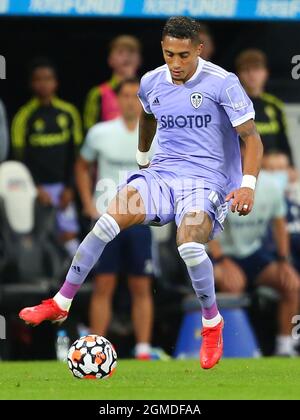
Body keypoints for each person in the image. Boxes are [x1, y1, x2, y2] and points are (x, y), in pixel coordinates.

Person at [19, 17, 263, 370]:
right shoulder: (151, 81)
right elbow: (148, 116)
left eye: (183, 55)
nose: (175, 64)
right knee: (107, 220)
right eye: (168, 55)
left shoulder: (223, 83)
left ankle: (212, 323)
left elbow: (251, 138)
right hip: (162, 174)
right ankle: (61, 300)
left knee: (189, 243)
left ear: (199, 49)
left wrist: (247, 184)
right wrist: (144, 159)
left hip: (206, 182)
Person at [76, 78, 154, 359]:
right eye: (125, 96)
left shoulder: (156, 133)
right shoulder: (100, 133)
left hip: (139, 221)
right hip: (106, 219)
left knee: (141, 285)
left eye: (136, 96)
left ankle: (143, 349)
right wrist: (87, 202)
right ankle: (96, 348)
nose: (131, 101)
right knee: (103, 284)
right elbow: (82, 166)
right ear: (117, 100)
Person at [210, 150, 300, 356]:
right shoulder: (221, 182)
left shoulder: (271, 186)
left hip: (253, 254)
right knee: (231, 285)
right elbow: (209, 229)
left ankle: (286, 346)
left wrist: (284, 262)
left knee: (292, 285)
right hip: (223, 255)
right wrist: (222, 261)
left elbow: (279, 224)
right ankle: (233, 347)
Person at [11, 58, 82, 256]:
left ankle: (74, 281)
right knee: (37, 235)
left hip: (63, 188)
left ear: (56, 82)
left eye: (48, 78)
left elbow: (76, 156)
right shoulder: (23, 116)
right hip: (35, 189)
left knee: (69, 235)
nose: (44, 83)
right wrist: (34, 188)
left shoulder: (68, 113)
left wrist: (70, 187)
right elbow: (19, 160)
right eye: (38, 79)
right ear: (31, 84)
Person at [236, 49, 292, 160]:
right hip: (245, 166)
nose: (251, 74)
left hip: (276, 165)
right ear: (239, 75)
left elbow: (283, 141)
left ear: (265, 73)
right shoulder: (234, 104)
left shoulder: (275, 105)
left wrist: (291, 165)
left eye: (256, 69)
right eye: (246, 70)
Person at [83, 35, 142, 131]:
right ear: (110, 60)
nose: (126, 57)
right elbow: (90, 132)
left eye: (131, 52)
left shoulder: (151, 93)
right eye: (120, 52)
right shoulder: (98, 94)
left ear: (140, 60)